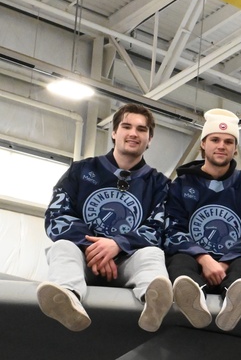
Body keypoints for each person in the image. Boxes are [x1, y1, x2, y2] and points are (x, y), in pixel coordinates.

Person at [36, 103, 173, 332]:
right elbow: (56, 216)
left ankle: (153, 304)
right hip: (83, 260)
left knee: (154, 253)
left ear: (149, 139)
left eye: (141, 129)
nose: (133, 133)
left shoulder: (160, 184)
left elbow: (160, 230)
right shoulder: (80, 170)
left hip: (129, 262)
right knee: (62, 247)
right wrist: (97, 249)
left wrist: (118, 245)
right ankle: (68, 298)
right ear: (114, 132)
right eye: (126, 126)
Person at [165, 109, 241, 331]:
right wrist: (205, 259)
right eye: (215, 139)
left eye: (228, 141)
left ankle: (233, 306)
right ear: (203, 144)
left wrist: (224, 262)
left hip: (233, 266)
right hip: (194, 263)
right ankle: (193, 301)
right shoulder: (180, 186)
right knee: (180, 260)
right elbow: (172, 230)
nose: (221, 145)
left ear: (235, 149)